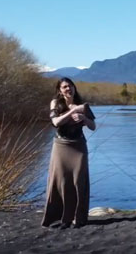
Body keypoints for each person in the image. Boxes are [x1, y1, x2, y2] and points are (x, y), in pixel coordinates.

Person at [41, 77, 96, 229]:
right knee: (61, 181)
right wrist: (72, 111)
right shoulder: (55, 103)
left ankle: (78, 218)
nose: (68, 89)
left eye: (70, 86)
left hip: (79, 147)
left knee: (79, 181)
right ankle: (61, 218)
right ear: (60, 90)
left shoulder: (83, 106)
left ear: (74, 88)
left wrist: (84, 117)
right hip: (61, 146)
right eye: (64, 87)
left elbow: (93, 127)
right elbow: (56, 122)